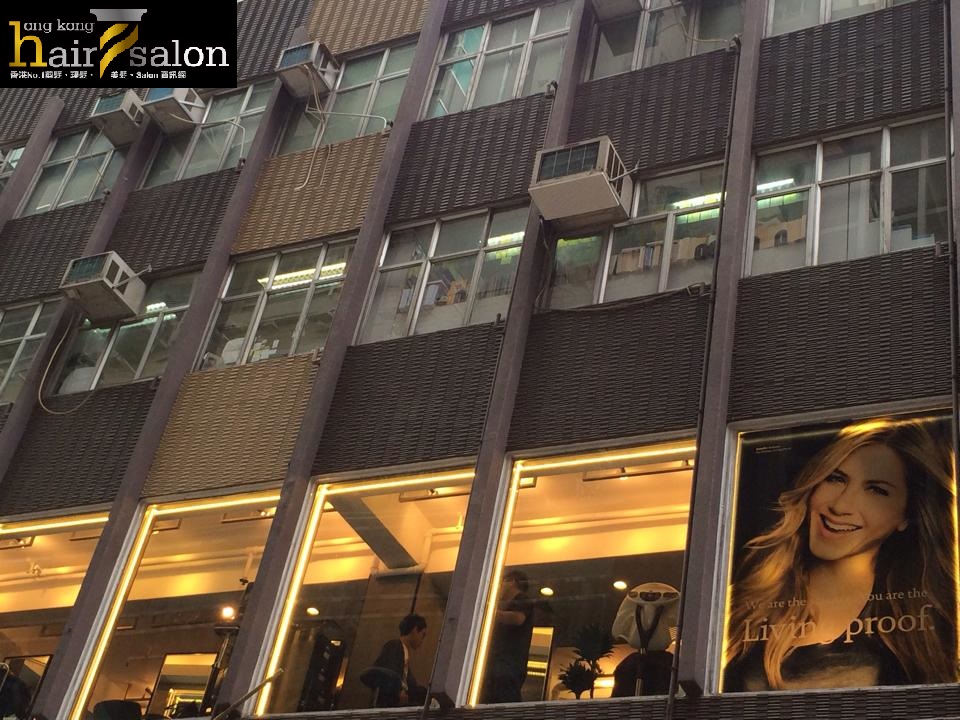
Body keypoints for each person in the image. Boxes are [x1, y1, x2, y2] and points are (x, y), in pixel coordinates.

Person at [724, 419, 958, 691]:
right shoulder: (744, 597)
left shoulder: (930, 623)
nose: (840, 506)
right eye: (836, 478)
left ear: (907, 515)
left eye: (876, 490)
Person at [481, 569, 534, 703]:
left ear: (512, 581)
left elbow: (517, 618)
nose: (500, 587)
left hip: (508, 664)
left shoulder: (522, 599)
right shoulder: (506, 605)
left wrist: (487, 612)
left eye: (502, 582)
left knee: (502, 697)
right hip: (499, 664)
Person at [369, 613, 428, 707]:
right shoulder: (394, 646)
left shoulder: (403, 653)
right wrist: (398, 691)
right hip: (388, 706)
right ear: (415, 630)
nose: (422, 640)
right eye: (422, 635)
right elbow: (387, 673)